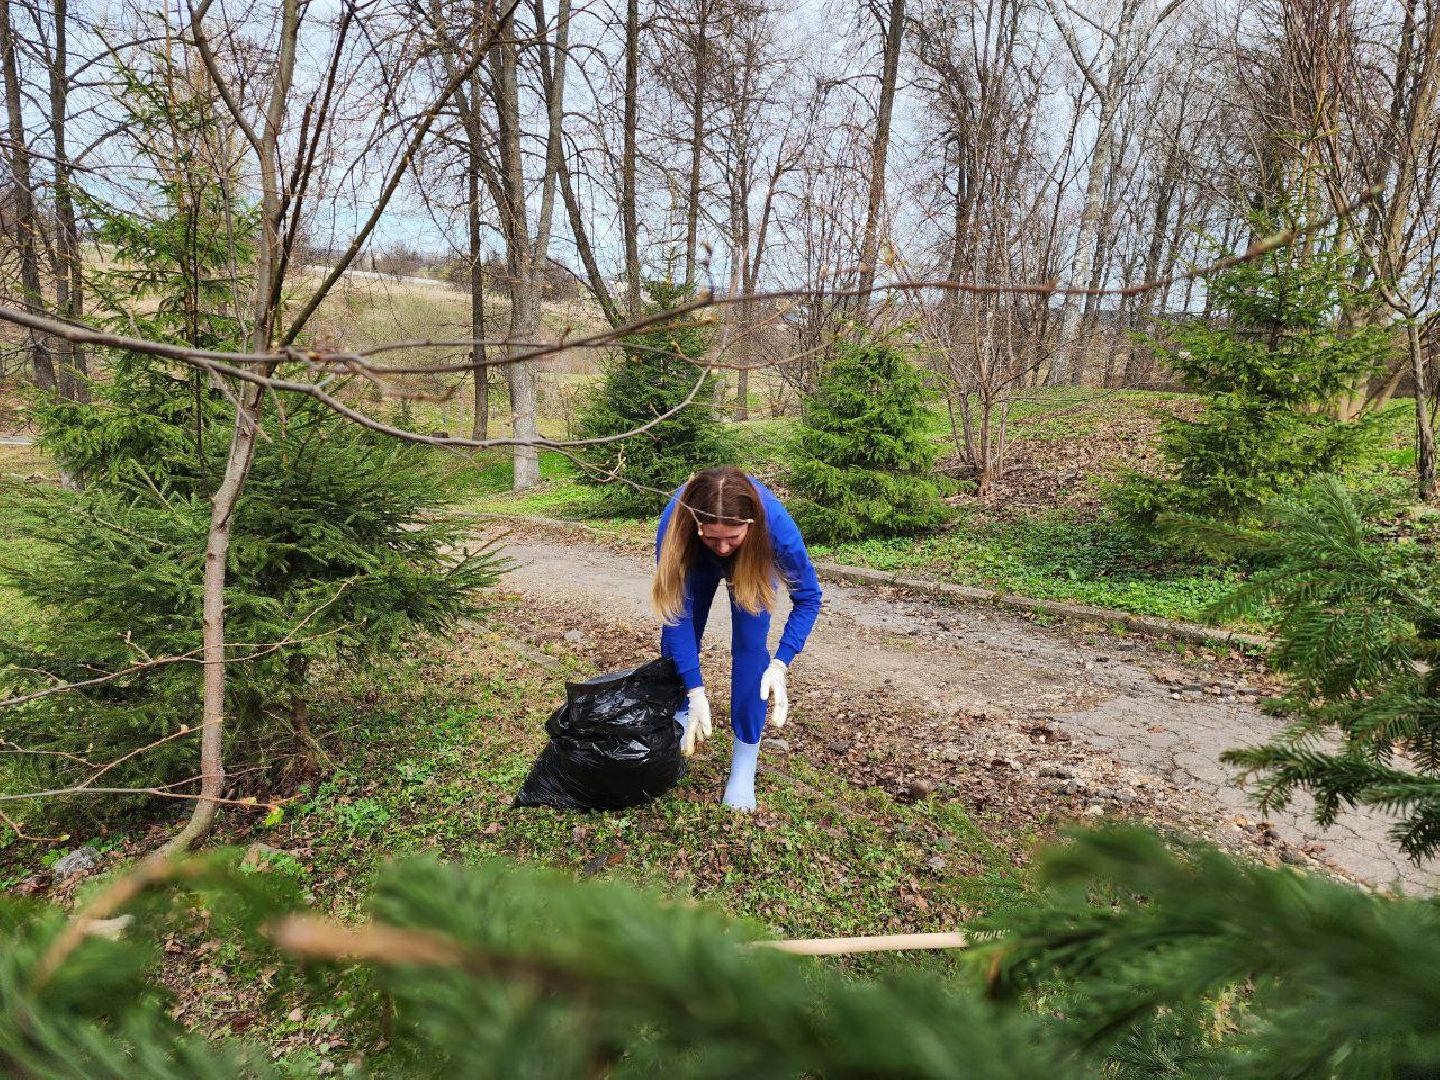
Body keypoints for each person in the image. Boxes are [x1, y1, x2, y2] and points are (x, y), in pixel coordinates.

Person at [652, 466, 823, 809]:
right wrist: (694, 690)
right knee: (676, 644)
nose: (723, 548)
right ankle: (682, 722)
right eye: (713, 537)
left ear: (750, 525)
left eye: (732, 536)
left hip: (754, 562)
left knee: (750, 652)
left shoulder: (775, 526)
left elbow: (809, 598)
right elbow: (676, 616)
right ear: (695, 524)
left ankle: (744, 763)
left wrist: (780, 663)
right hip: (693, 560)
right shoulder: (676, 523)